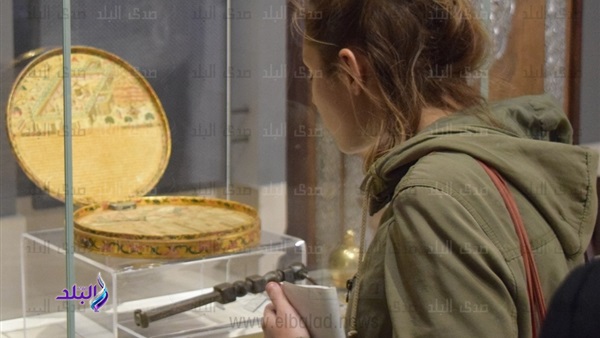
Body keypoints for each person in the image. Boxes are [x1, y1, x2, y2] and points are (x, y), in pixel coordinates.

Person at [262, 0, 599, 337]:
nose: (313, 97)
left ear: (351, 72)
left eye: (312, 73)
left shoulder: (432, 198)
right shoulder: (510, 150)